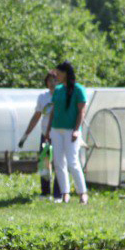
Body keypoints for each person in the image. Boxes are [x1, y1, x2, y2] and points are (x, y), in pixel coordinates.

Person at [48, 61, 89, 205]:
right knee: (59, 162)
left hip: (71, 131)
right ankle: (65, 193)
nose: (56, 77)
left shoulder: (79, 89)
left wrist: (77, 130)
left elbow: (81, 112)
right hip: (56, 130)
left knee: (72, 162)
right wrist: (48, 130)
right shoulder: (58, 90)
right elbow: (53, 111)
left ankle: (82, 193)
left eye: (58, 74)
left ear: (65, 73)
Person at [18, 71, 62, 200]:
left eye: (54, 80)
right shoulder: (43, 97)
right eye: (49, 80)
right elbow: (36, 116)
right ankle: (45, 192)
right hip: (45, 135)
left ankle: (58, 194)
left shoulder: (63, 96)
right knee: (44, 163)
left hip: (59, 134)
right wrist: (25, 135)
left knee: (59, 164)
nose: (52, 83)